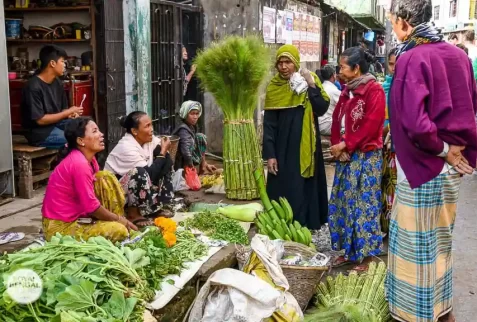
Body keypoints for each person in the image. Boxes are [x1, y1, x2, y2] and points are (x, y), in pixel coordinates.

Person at [387, 1, 477, 321]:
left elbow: (414, 121)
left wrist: (441, 148)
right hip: (452, 165)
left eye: (394, 22)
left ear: (404, 21)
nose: (394, 28)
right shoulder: (459, 56)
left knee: (417, 247)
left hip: (425, 164)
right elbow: (471, 107)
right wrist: (455, 150)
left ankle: (419, 315)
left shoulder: (411, 57)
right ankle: (444, 310)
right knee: (441, 242)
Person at [328, 47, 386, 271]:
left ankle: (368, 257)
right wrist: (337, 146)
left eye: (343, 66)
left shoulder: (374, 91)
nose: (339, 70)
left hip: (366, 156)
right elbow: (337, 119)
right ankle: (351, 252)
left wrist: (347, 144)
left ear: (356, 68)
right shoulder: (346, 90)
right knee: (345, 203)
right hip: (346, 156)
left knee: (364, 205)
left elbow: (372, 126)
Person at [263, 44, 330, 230]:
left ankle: (308, 223)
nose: (284, 67)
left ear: (296, 62)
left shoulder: (309, 80)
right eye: (280, 63)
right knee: (285, 185)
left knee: (306, 185)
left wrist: (311, 85)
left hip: (307, 145)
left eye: (288, 62)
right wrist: (270, 154)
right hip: (283, 147)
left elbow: (321, 108)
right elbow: (269, 125)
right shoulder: (274, 87)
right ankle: (284, 224)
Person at [42, 117, 138, 242]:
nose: (101, 135)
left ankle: (119, 221)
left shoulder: (90, 161)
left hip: (78, 217)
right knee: (119, 231)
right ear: (81, 141)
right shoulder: (79, 164)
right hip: (60, 227)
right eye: (95, 131)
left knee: (104, 177)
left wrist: (116, 218)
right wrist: (118, 219)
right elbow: (91, 207)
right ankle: (121, 223)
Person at [105, 111, 175, 227]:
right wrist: (162, 152)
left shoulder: (148, 140)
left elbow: (165, 161)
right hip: (116, 193)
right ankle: (133, 213)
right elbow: (149, 175)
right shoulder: (127, 147)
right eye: (147, 126)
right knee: (140, 173)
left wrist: (163, 152)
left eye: (151, 125)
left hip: (136, 186)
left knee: (165, 161)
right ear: (134, 131)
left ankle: (155, 207)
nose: (152, 129)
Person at [21, 45, 83, 148]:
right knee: (78, 140)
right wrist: (68, 112)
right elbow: (40, 120)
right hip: (40, 133)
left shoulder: (57, 82)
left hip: (57, 124)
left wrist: (71, 115)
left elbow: (63, 110)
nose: (64, 65)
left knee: (87, 128)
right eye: (62, 61)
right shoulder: (32, 86)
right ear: (52, 63)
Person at [172, 101, 217, 174]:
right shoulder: (183, 129)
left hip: (189, 157)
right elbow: (185, 152)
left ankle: (203, 166)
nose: (195, 117)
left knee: (200, 137)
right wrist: (191, 167)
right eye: (192, 114)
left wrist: (204, 163)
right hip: (181, 162)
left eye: (197, 114)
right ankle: (186, 172)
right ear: (185, 114)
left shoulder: (191, 126)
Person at [380, 47, 397, 234]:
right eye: (390, 64)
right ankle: (386, 227)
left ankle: (395, 230)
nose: (393, 68)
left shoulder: (407, 88)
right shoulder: (384, 87)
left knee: (395, 189)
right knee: (385, 187)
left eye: (396, 64)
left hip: (397, 146)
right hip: (382, 144)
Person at [318, 64, 341, 136]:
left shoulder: (321, 87)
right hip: (326, 124)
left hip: (318, 123)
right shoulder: (334, 91)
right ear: (333, 75)